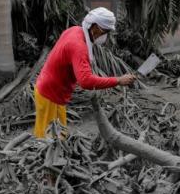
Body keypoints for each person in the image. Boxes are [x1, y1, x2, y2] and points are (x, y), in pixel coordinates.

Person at [33, 7, 136, 138]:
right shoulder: (78, 46)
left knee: (59, 135)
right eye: (106, 32)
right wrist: (118, 80)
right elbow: (85, 81)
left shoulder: (75, 30)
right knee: (48, 141)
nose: (106, 36)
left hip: (52, 90)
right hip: (50, 94)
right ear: (96, 28)